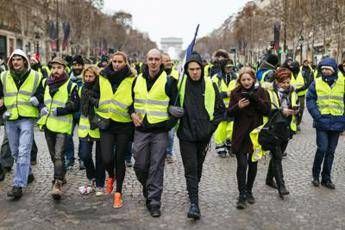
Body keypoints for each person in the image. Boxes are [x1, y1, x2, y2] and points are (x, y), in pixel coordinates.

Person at [177, 51, 225, 219]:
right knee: (190, 169)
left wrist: (210, 128)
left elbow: (221, 111)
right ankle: (194, 204)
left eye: (197, 68)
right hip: (186, 135)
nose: (195, 72)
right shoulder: (180, 84)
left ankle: (192, 189)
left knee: (198, 167)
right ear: (187, 70)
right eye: (191, 69)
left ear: (202, 69)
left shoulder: (211, 85)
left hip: (203, 136)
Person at [130, 49, 178, 217]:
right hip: (141, 129)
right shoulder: (137, 80)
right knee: (140, 165)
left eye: (157, 59)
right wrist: (132, 113)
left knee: (157, 165)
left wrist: (168, 125)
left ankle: (154, 201)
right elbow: (130, 102)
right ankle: (147, 187)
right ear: (146, 60)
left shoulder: (170, 81)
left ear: (161, 62)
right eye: (150, 59)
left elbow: (176, 107)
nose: (153, 62)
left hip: (160, 131)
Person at [0, 49, 43, 199]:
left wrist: (37, 99)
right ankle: (28, 173)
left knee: (24, 151)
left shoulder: (36, 76)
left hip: (27, 118)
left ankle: (18, 185)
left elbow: (42, 93)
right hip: (10, 118)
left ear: (25, 61)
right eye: (13, 59)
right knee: (15, 152)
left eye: (19, 59)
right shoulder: (3, 76)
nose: (16, 62)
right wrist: (2, 110)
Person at [37, 57, 79, 200]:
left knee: (58, 155)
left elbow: (75, 105)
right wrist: (41, 107)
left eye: (59, 68)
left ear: (64, 69)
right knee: (52, 155)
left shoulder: (71, 85)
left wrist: (60, 111)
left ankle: (57, 183)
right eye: (53, 68)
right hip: (48, 124)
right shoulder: (45, 82)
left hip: (62, 125)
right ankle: (61, 174)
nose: (56, 71)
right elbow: (40, 98)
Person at [228, 67, 270, 209]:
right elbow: (229, 113)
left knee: (253, 165)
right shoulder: (235, 93)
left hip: (255, 134)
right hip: (240, 134)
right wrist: (238, 106)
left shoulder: (261, 92)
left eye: (249, 79)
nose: (246, 82)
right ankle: (241, 194)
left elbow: (267, 110)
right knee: (242, 165)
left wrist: (256, 99)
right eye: (243, 79)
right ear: (240, 80)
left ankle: (249, 191)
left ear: (253, 79)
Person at [99, 51, 136, 208]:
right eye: (114, 61)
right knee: (107, 158)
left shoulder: (132, 78)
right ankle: (111, 176)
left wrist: (133, 112)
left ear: (125, 62)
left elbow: (136, 98)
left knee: (119, 159)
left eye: (120, 61)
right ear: (110, 62)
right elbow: (94, 93)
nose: (116, 64)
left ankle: (118, 193)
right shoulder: (102, 75)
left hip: (124, 124)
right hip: (106, 122)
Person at [306, 57, 345, 189]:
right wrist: (317, 115)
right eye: (323, 70)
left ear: (334, 70)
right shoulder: (316, 82)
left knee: (331, 152)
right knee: (322, 149)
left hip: (337, 122)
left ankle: (326, 178)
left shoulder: (343, 82)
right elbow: (310, 99)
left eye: (328, 69)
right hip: (321, 121)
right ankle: (315, 176)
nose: (326, 72)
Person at [264, 67, 299, 199]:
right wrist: (281, 111)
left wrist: (295, 110)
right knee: (278, 156)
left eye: (288, 82)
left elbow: (295, 104)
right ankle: (281, 186)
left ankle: (268, 179)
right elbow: (268, 108)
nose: (286, 85)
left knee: (276, 156)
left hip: (287, 127)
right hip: (273, 128)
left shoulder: (292, 91)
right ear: (277, 81)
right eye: (283, 82)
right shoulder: (270, 91)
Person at [77, 66, 106, 196]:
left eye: (91, 76)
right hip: (85, 128)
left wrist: (92, 99)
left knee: (100, 159)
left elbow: (103, 105)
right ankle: (92, 177)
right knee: (84, 155)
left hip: (99, 127)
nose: (88, 79)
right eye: (86, 76)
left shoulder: (102, 89)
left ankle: (100, 184)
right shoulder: (81, 89)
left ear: (96, 77)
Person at [211, 50, 238, 158]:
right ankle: (220, 148)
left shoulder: (236, 77)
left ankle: (230, 144)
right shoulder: (215, 78)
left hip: (232, 107)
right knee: (220, 129)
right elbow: (214, 93)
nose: (229, 69)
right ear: (222, 67)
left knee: (232, 128)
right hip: (220, 108)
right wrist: (227, 94)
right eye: (227, 67)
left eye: (231, 67)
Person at [65, 55, 85, 170]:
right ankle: (69, 158)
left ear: (82, 66)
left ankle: (82, 159)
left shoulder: (87, 77)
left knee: (82, 137)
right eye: (75, 64)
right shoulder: (67, 78)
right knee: (68, 136)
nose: (77, 67)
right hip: (70, 112)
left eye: (79, 65)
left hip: (82, 112)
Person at [162, 53, 179, 163]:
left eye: (169, 60)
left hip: (173, 106)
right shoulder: (157, 74)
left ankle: (169, 152)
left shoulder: (177, 74)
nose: (168, 62)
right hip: (160, 109)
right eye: (165, 60)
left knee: (171, 134)